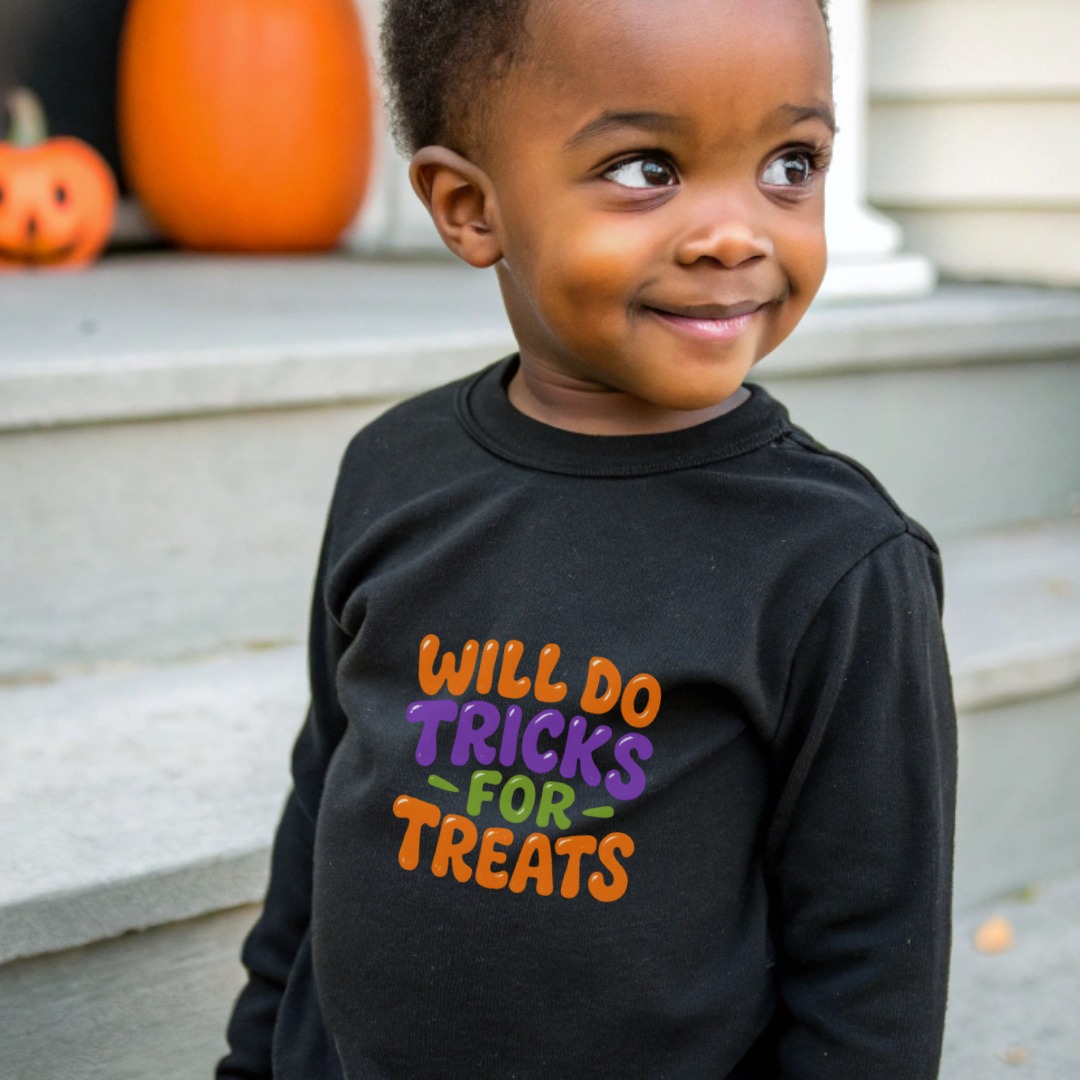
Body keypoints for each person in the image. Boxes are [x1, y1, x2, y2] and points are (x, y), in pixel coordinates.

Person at [218, 0, 957, 1076]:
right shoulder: (394, 470)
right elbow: (323, 801)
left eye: (790, 165)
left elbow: (871, 973)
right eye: (648, 169)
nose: (736, 233)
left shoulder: (836, 564)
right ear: (471, 207)